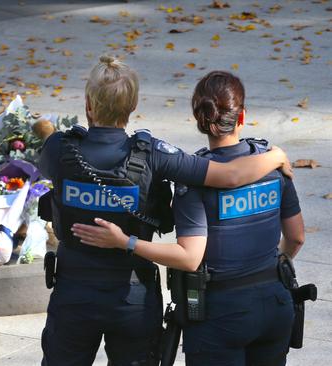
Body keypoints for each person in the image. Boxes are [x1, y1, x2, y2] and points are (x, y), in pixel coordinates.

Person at [38, 57, 295, 366]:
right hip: (132, 299)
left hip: (73, 295)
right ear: (132, 105)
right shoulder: (153, 155)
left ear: (88, 105)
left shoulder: (58, 150)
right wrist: (276, 156)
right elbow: (230, 176)